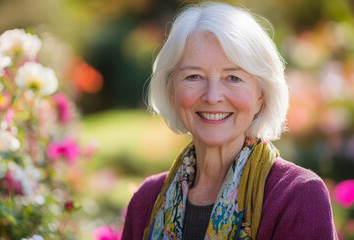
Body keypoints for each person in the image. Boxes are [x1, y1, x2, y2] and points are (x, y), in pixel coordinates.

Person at [121, 2, 338, 240]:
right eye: (194, 76)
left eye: (233, 78)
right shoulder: (146, 201)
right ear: (171, 91)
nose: (213, 96)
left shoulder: (298, 195)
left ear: (261, 95)